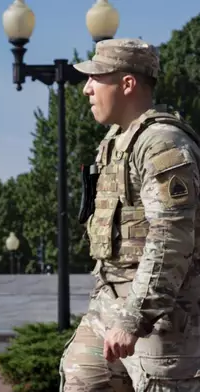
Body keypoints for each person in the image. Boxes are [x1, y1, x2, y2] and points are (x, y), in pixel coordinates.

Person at [60, 37, 200, 391]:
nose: (86, 89)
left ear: (127, 83)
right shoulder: (115, 142)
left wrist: (135, 317)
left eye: (97, 78)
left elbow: (170, 239)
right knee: (80, 380)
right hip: (108, 309)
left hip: (162, 323)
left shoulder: (163, 143)